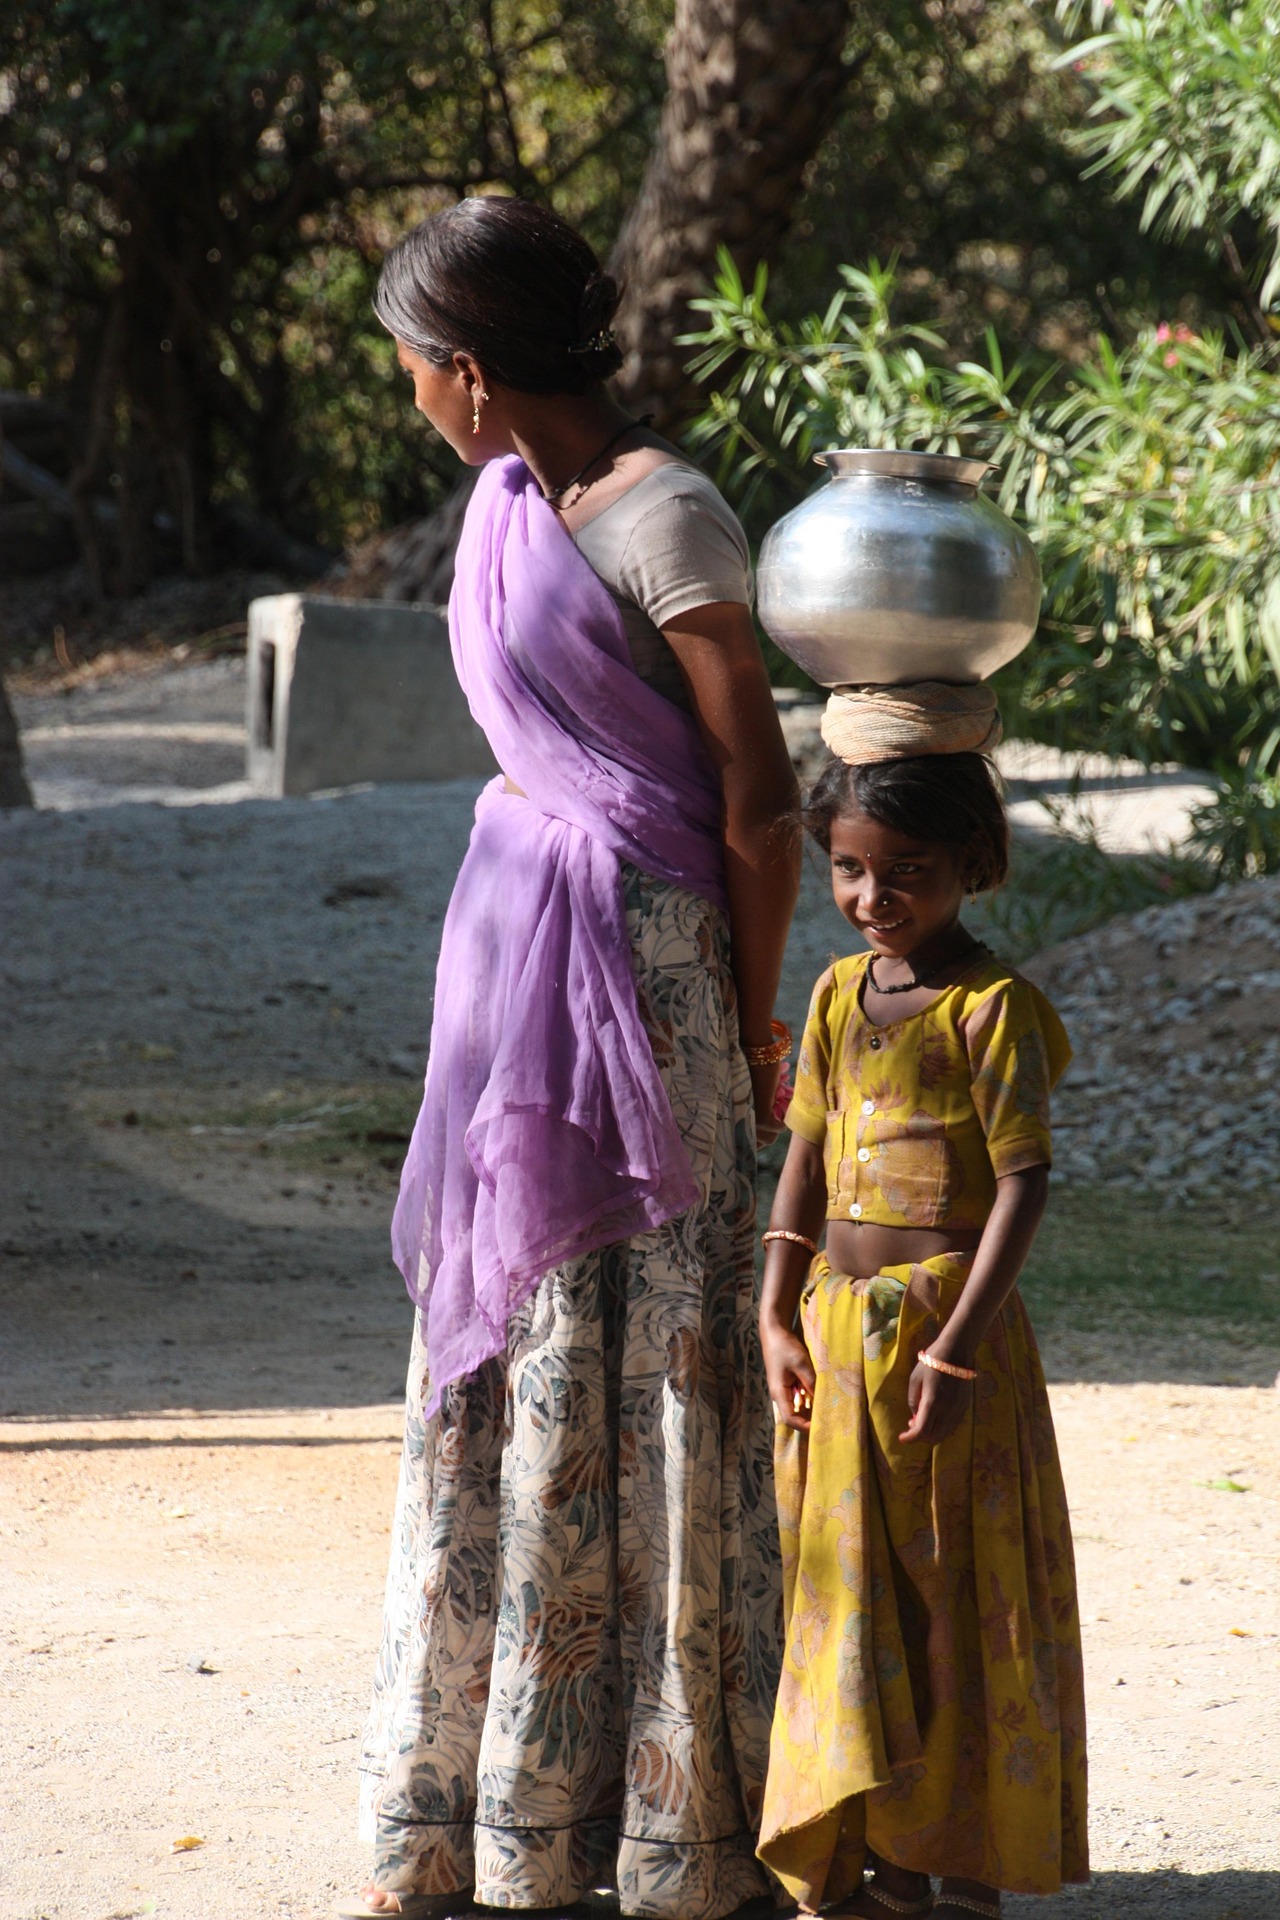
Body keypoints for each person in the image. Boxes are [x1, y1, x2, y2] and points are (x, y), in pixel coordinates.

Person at [345, 197, 800, 1920]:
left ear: (469, 371)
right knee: (521, 1360)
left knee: (660, 1362)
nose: (413, 403)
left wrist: (754, 1018)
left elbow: (756, 800)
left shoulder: (661, 515)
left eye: (411, 373)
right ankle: (483, 1819)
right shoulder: (507, 510)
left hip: (660, 986)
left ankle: (667, 1830)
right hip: (526, 993)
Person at [756, 740, 1088, 1920]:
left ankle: (961, 1866)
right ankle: (880, 1855)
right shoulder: (839, 992)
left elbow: (1020, 1185)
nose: (871, 896)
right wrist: (772, 1310)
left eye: (905, 870)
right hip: (833, 1342)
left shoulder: (991, 1009)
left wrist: (953, 1350)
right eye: (848, 869)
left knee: (949, 1592)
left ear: (971, 864)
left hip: (945, 1346)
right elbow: (802, 1155)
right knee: (849, 1596)